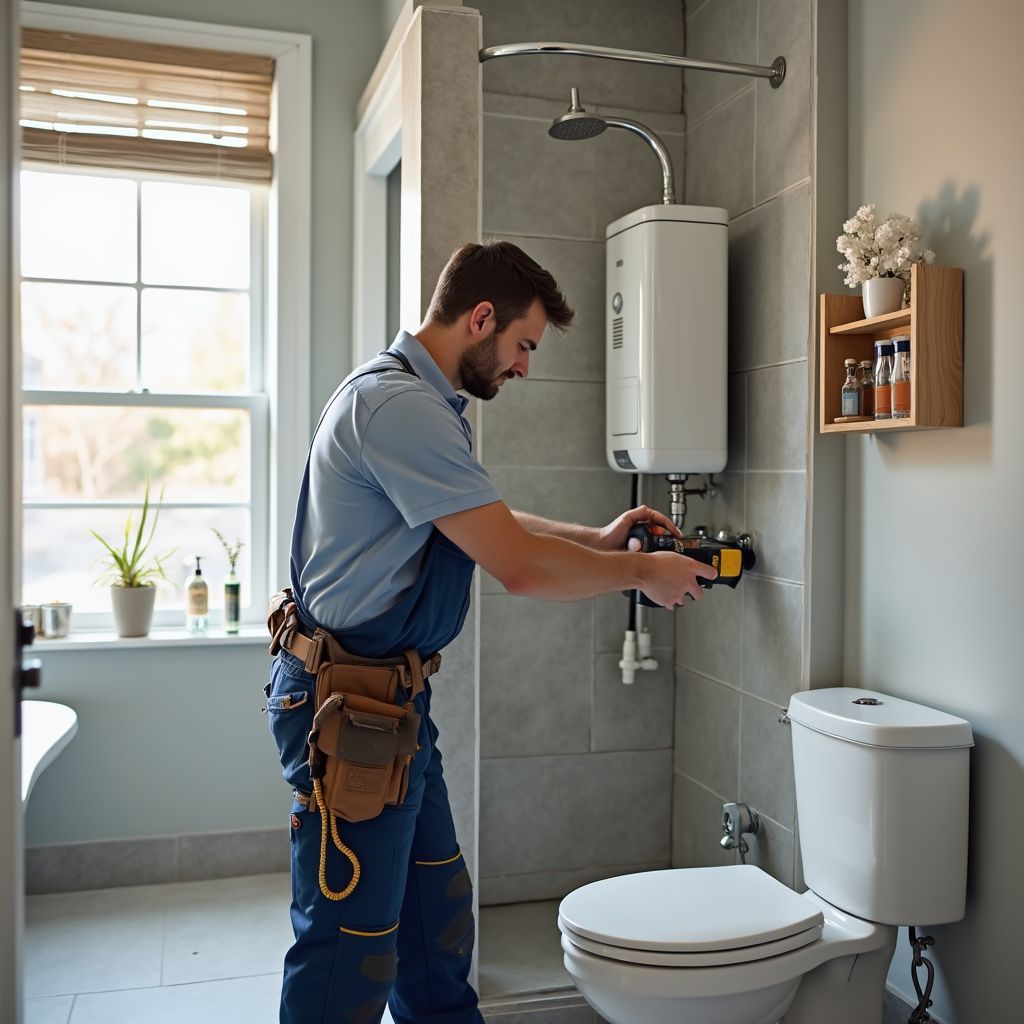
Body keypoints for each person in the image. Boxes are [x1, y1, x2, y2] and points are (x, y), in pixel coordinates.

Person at [266, 239, 715, 1024]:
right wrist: (644, 575)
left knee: (434, 931)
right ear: (481, 319)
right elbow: (519, 568)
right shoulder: (397, 406)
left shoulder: (422, 401)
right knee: (349, 950)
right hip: (351, 712)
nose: (524, 367)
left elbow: (478, 524)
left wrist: (595, 539)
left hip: (393, 710)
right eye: (523, 345)